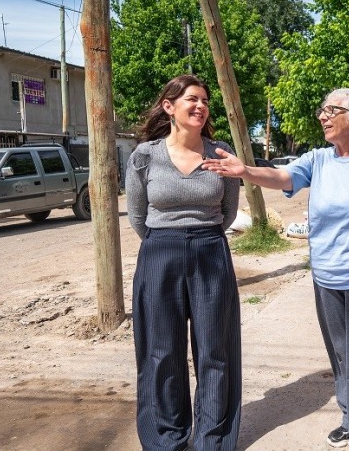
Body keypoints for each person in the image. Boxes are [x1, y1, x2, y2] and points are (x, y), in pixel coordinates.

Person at [202, 88, 349, 451]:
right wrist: (245, 171)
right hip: (326, 277)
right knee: (342, 356)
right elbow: (283, 178)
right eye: (322, 110)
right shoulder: (318, 160)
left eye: (333, 110)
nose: (323, 116)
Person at [126, 74, 242, 451]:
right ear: (169, 107)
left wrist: (200, 235)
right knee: (161, 352)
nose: (201, 106)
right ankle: (166, 439)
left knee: (215, 350)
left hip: (210, 250)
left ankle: (212, 439)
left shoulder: (220, 153)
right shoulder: (144, 156)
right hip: (160, 253)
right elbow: (138, 217)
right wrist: (170, 240)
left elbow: (227, 212)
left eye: (205, 100)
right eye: (192, 99)